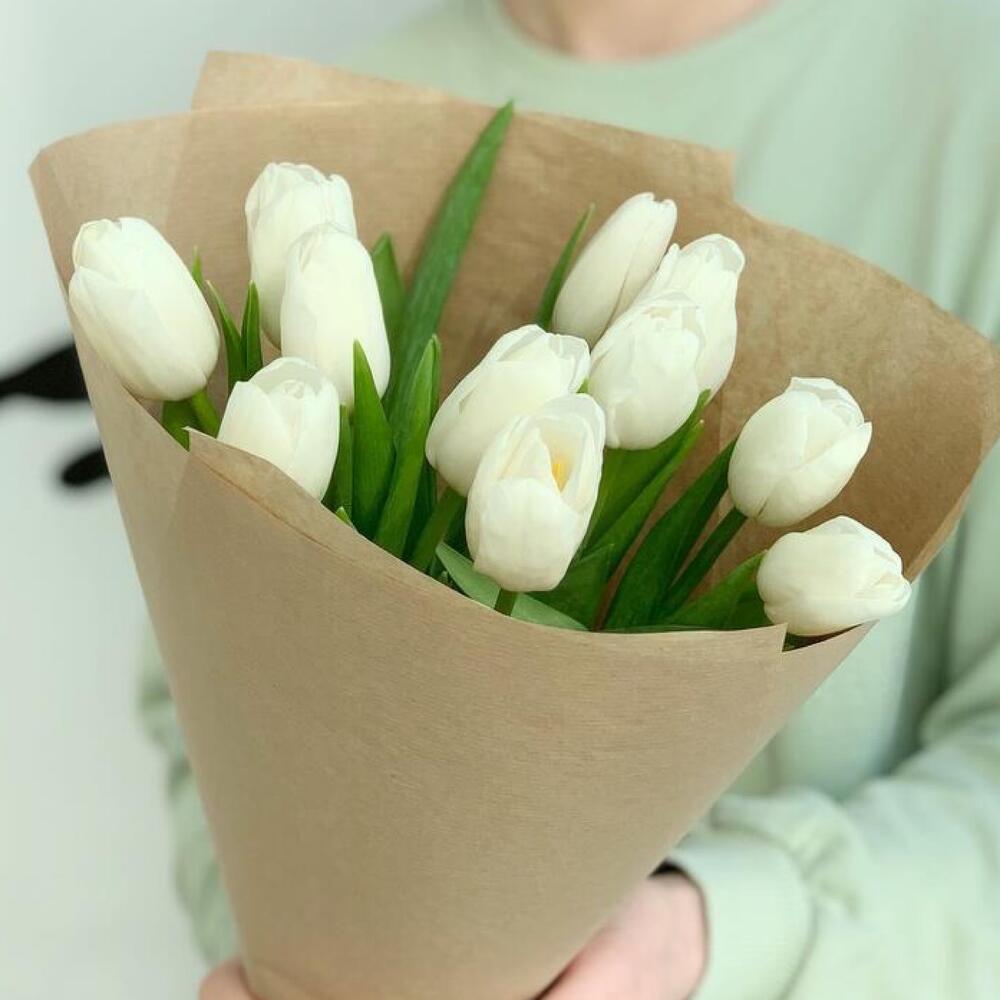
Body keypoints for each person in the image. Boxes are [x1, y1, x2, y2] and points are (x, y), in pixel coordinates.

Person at [136, 0, 1000, 997]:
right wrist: (297, 961)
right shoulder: (319, 126)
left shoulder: (968, 95)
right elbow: (203, 698)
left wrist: (709, 937)